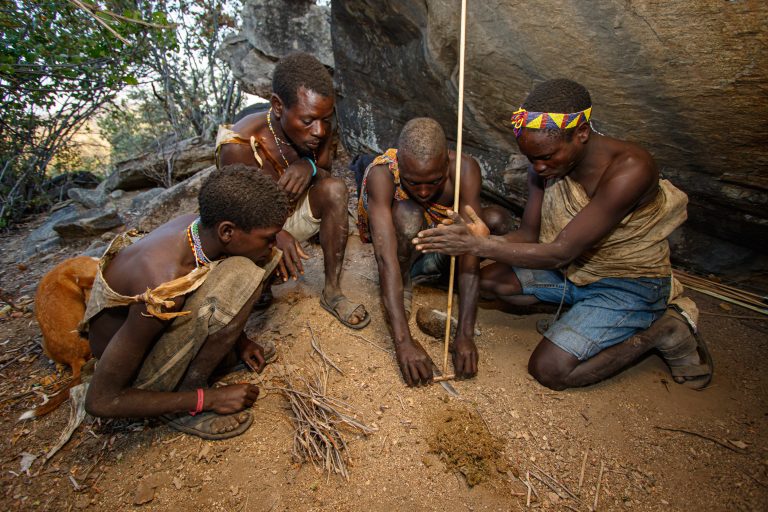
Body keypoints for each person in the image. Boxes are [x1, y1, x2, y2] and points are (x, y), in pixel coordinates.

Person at [413, 79, 712, 391]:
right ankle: (584, 314)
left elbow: (560, 252)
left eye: (547, 157)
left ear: (581, 133)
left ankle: (662, 331)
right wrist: (477, 239)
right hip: (573, 273)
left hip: (628, 283)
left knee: (549, 370)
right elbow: (529, 235)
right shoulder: (545, 168)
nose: (539, 167)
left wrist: (478, 245)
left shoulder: (631, 169)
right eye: (531, 159)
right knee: (489, 281)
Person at [83, 167, 288, 440]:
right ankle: (182, 398)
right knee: (243, 272)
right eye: (268, 236)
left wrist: (241, 342)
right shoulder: (162, 286)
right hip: (130, 377)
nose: (274, 243)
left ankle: (218, 361)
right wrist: (207, 399)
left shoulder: (197, 229)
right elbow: (101, 400)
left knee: (258, 261)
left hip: (150, 337)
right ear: (227, 231)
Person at [216, 52, 369, 329]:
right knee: (242, 243)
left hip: (290, 211)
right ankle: (261, 283)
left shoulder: (319, 127)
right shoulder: (239, 145)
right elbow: (232, 214)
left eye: (326, 119)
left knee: (334, 189)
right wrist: (276, 233)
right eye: (308, 120)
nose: (320, 131)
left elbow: (325, 174)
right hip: (250, 224)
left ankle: (332, 292)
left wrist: (307, 165)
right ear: (277, 105)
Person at [358, 117, 511, 386]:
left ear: (446, 163)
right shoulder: (382, 174)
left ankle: (438, 278)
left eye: (434, 181)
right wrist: (403, 342)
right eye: (413, 183)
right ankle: (407, 281)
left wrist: (465, 334)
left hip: (442, 245)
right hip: (404, 251)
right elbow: (384, 257)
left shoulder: (464, 169)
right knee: (408, 213)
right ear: (399, 165)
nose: (425, 191)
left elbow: (470, 247)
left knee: (493, 221)